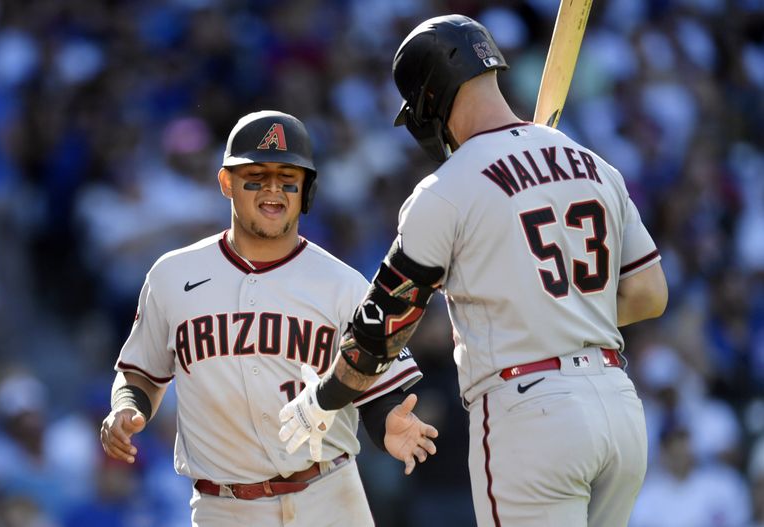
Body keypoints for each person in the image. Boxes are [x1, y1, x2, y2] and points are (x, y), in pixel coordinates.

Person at [278, 15, 668, 527]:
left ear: (430, 98)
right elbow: (648, 294)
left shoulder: (446, 189)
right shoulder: (595, 165)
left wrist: (327, 397)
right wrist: (562, 311)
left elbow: (381, 330)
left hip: (530, 412)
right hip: (619, 409)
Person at [99, 110, 438, 527]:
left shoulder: (342, 283)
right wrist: (125, 407)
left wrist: (389, 421)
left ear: (306, 190)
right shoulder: (171, 276)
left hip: (329, 498)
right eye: (256, 176)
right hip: (224, 508)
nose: (272, 190)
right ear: (227, 183)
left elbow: (370, 382)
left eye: (287, 178)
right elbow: (142, 374)